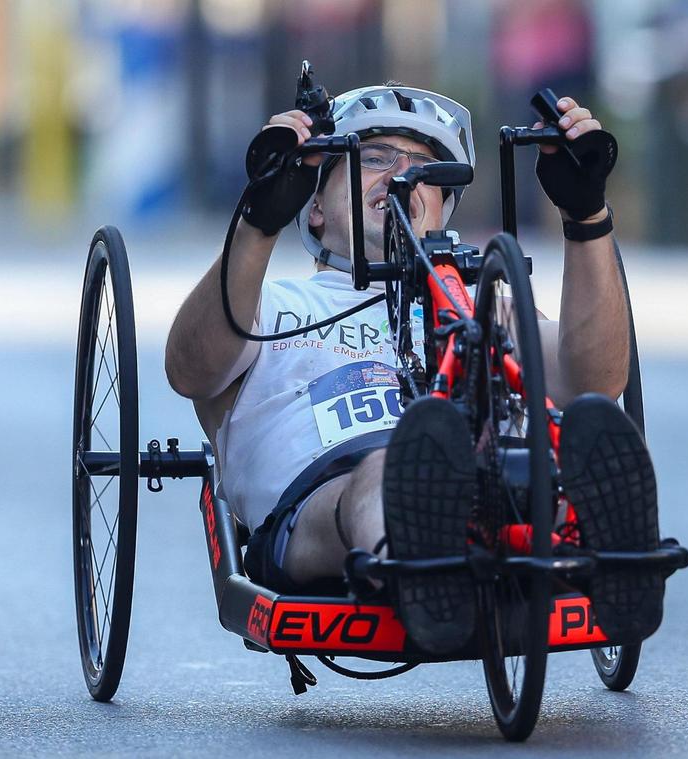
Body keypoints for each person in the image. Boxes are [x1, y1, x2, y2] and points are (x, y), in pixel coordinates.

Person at [165, 85, 661, 654]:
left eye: (425, 168)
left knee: (575, 437)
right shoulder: (268, 303)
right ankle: (422, 565)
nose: (401, 176)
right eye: (373, 159)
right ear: (317, 206)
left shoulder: (483, 301)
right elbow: (190, 371)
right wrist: (258, 218)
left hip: (488, 481)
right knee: (388, 471)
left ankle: (604, 551)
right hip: (328, 500)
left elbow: (594, 382)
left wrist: (586, 214)